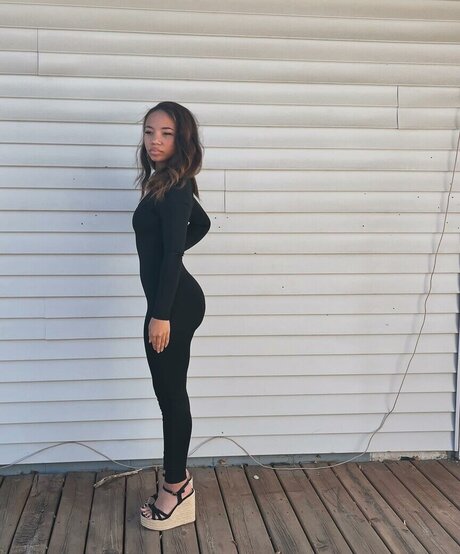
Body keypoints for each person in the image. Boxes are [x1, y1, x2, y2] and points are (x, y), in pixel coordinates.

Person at [131, 101, 211, 531]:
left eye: (166, 133)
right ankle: (176, 483)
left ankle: (176, 488)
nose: (155, 141)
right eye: (149, 132)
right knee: (169, 391)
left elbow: (174, 252)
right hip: (170, 301)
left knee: (171, 395)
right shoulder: (165, 182)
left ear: (182, 140)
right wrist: (169, 251)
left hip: (173, 306)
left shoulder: (176, 188)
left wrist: (160, 315)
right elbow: (202, 224)